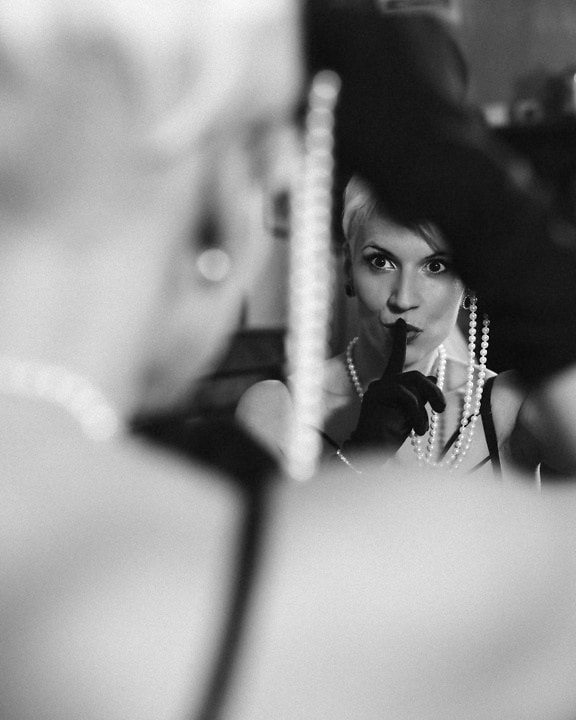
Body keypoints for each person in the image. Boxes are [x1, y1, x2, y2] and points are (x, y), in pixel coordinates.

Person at [3, 3, 576, 720]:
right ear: (231, 203)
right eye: (379, 263)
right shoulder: (227, 587)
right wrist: (487, 204)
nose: (405, 296)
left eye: (437, 264)